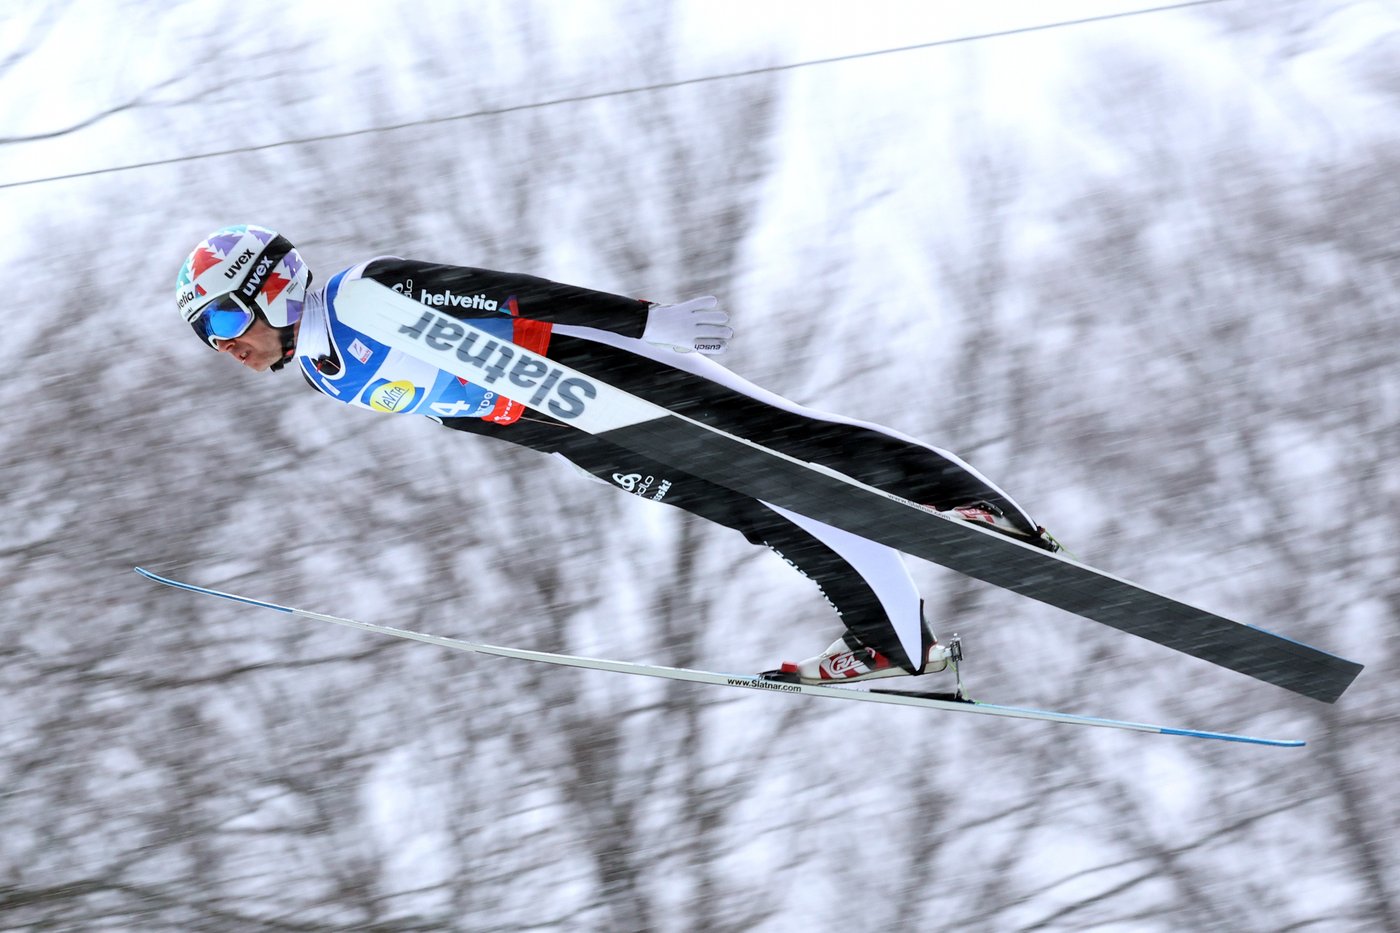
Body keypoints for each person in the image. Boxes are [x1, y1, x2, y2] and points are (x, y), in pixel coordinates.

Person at [176, 224, 1058, 684]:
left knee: (786, 436)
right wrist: (560, 443)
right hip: (566, 421)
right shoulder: (325, 375)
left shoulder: (360, 294)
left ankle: (975, 510)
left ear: (271, 286)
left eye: (222, 318)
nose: (224, 345)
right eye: (206, 336)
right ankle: (895, 649)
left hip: (587, 361)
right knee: (758, 507)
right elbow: (458, 409)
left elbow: (502, 292)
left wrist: (645, 322)